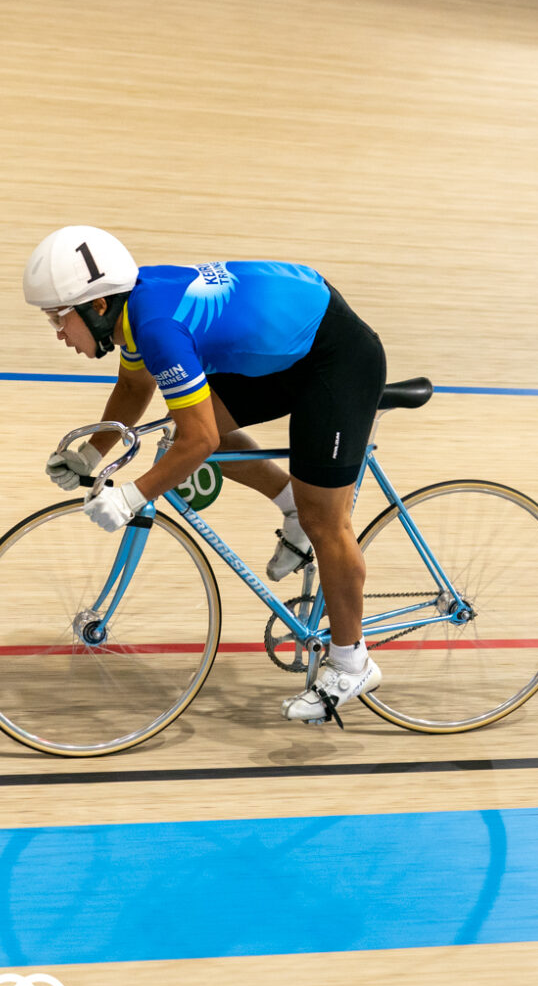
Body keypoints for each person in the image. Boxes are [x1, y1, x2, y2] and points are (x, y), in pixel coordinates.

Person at [23, 224, 389, 724]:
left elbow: (204, 443)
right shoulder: (134, 314)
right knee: (185, 428)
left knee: (328, 521)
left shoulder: (155, 328)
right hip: (288, 342)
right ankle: (290, 509)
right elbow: (134, 390)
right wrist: (90, 456)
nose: (59, 333)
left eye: (59, 319)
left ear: (98, 307)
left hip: (334, 357)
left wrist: (131, 496)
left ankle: (352, 661)